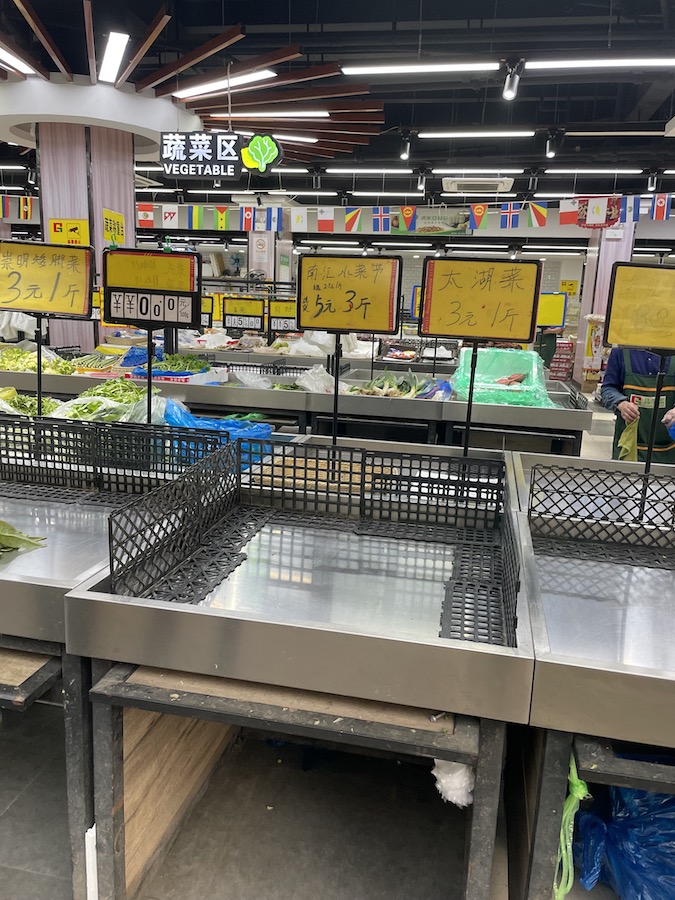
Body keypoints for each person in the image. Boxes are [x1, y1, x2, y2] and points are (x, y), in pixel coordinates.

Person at [601, 347, 675, 462]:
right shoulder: (621, 350)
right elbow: (608, 388)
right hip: (627, 448)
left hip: (669, 451)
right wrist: (621, 403)